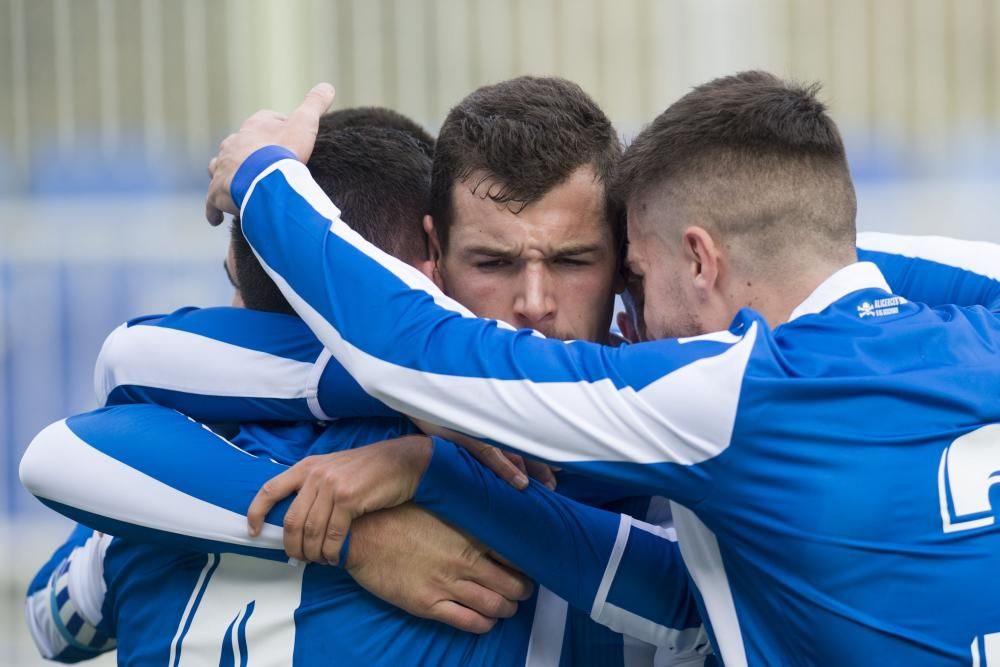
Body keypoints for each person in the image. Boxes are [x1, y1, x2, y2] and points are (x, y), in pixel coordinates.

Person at [191, 72, 1000, 665]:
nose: (633, 316)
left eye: (631, 275)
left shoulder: (726, 393)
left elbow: (414, 351)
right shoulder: (979, 332)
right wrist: (435, 469)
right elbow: (689, 601)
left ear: (700, 259)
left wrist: (266, 178)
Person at [24, 92, 708, 665]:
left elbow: (54, 616)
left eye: (572, 261)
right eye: (493, 264)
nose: (533, 303)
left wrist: (428, 467)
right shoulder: (166, 453)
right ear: (430, 266)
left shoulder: (158, 464)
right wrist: (353, 532)